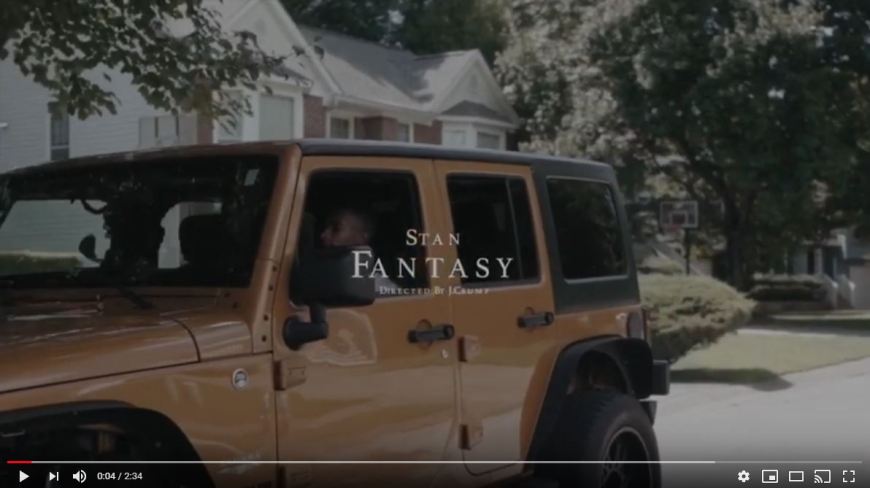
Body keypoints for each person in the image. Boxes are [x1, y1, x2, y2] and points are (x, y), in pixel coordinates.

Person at [320, 208, 400, 294]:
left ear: (362, 237)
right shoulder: (319, 278)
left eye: (336, 229)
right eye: (325, 228)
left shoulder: (380, 287)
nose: (323, 235)